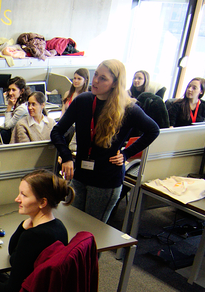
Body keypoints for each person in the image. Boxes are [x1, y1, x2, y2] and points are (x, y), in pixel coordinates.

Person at [50, 59, 160, 223]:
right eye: (96, 75)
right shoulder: (83, 101)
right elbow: (57, 131)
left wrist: (126, 153)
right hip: (80, 174)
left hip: (106, 180)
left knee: (92, 230)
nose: (95, 81)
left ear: (115, 83)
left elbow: (153, 130)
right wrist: (66, 157)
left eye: (103, 78)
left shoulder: (128, 108)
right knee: (70, 222)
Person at [0, 76, 29, 145]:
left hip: (16, 137)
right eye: (9, 90)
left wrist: (9, 107)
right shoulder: (19, 104)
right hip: (12, 132)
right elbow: (10, 121)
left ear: (21, 91)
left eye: (13, 90)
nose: (10, 93)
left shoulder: (22, 108)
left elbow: (7, 125)